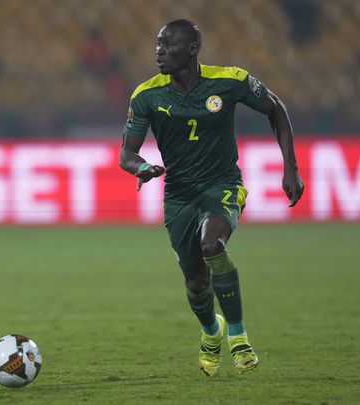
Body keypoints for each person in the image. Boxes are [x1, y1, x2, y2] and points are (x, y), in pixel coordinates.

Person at [119, 19, 304, 377]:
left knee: (212, 244)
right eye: (157, 44)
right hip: (179, 195)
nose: (158, 51)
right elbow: (126, 154)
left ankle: (238, 336)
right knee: (196, 282)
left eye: (167, 44)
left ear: (191, 49)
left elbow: (276, 109)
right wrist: (140, 167)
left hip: (222, 184)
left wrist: (290, 168)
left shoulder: (230, 80)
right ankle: (211, 330)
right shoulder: (146, 95)